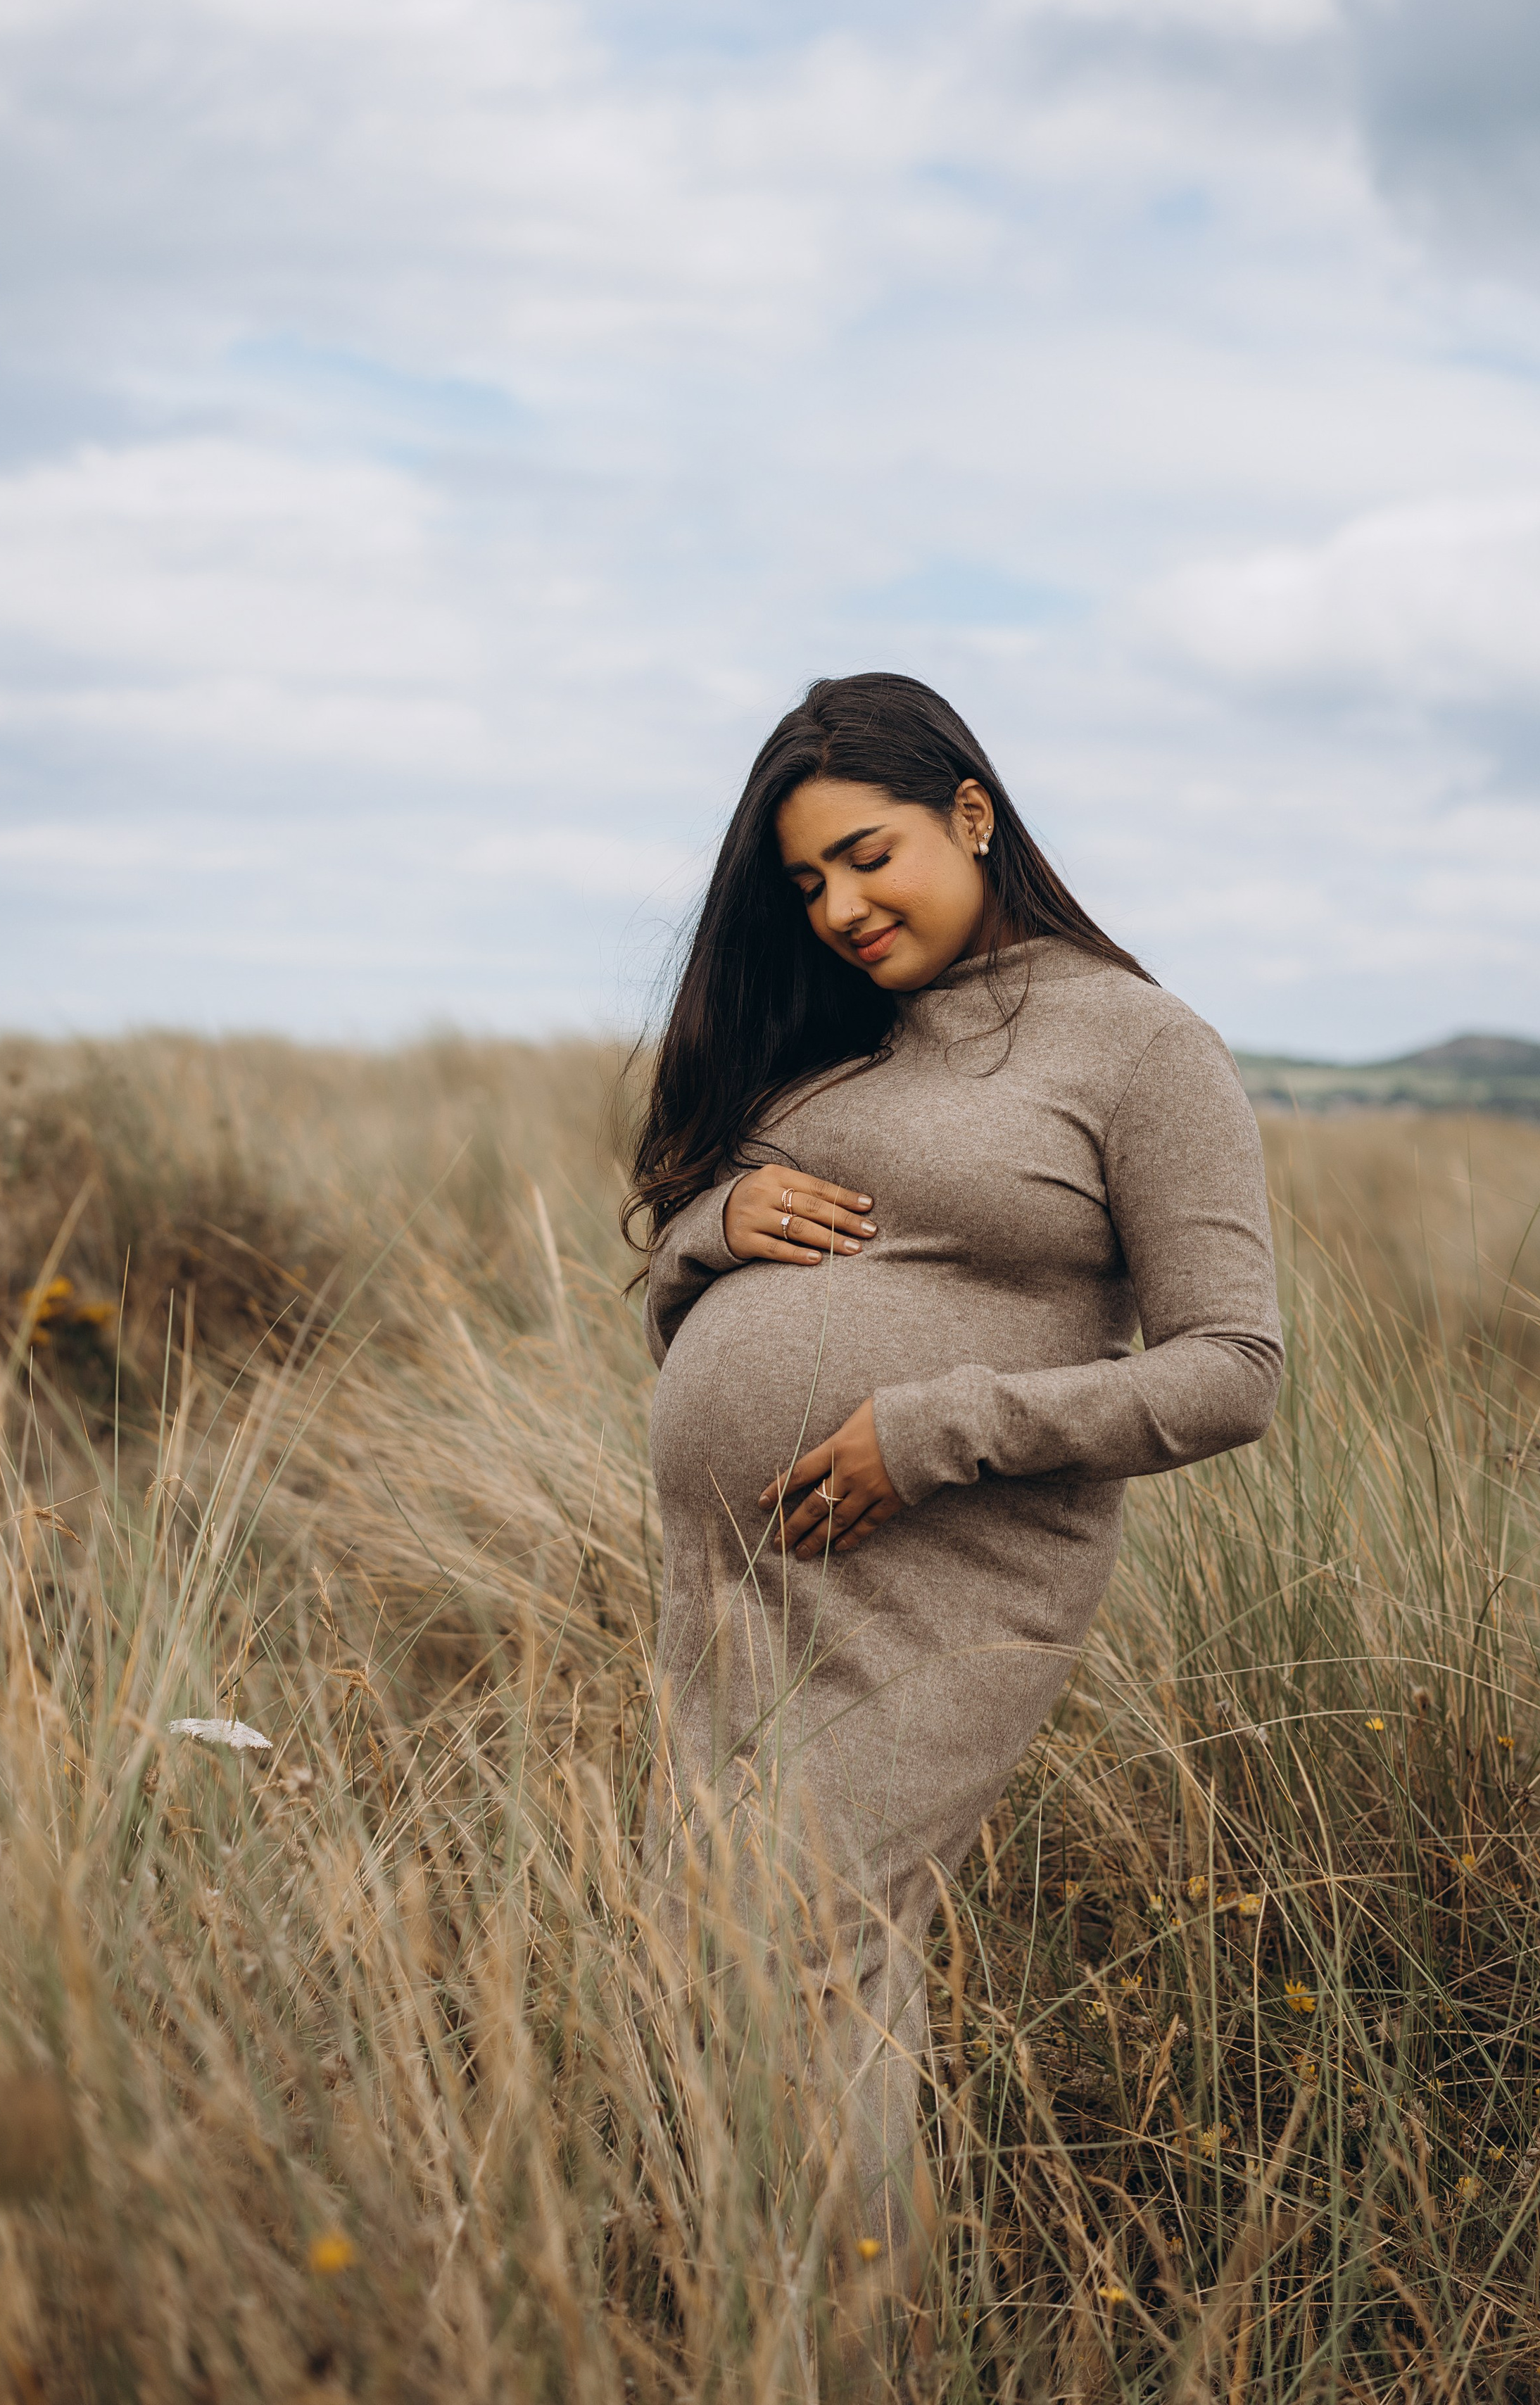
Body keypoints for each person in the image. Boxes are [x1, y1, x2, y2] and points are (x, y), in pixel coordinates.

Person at [624, 670, 1283, 2304]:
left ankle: (850, 2347)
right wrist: (711, 1233)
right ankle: (738, 2320)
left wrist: (933, 1428)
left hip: (939, 1584)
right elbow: (681, 1309)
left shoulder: (1137, 1044)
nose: (840, 908)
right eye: (804, 886)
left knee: (808, 1944)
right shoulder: (835, 1057)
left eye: (868, 856)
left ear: (969, 816)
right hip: (733, 1594)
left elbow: (1231, 1370)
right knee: (708, 1957)